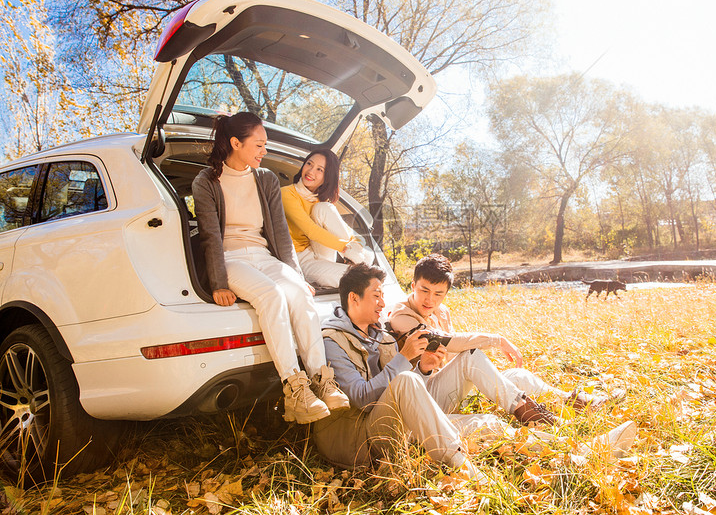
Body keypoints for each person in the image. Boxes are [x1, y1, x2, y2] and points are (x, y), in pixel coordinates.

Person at [314, 263, 606, 474]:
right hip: (365, 437)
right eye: (376, 295)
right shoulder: (333, 340)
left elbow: (401, 388)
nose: (382, 302)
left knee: (486, 416)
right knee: (407, 379)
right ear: (354, 298)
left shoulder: (378, 333)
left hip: (404, 416)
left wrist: (425, 369)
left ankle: (566, 445)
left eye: (382, 294)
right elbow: (364, 398)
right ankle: (462, 467)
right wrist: (405, 360)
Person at [191, 112, 349, 424]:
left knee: (300, 296)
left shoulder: (265, 180)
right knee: (271, 295)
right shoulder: (205, 182)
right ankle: (295, 389)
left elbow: (280, 235)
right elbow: (209, 235)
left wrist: (298, 277)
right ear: (236, 143)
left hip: (264, 257)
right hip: (230, 258)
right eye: (259, 145)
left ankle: (322, 379)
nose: (265, 151)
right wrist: (219, 283)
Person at [387, 254, 624, 410]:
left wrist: (481, 375)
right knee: (472, 355)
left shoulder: (443, 311)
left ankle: (579, 402)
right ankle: (528, 412)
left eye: (438, 294)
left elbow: (449, 358)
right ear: (413, 286)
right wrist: (496, 340)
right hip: (423, 397)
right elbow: (446, 342)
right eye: (423, 291)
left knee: (518, 376)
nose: (429, 299)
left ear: (447, 293)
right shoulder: (401, 315)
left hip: (447, 386)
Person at [281, 149, 373, 288]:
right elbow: (311, 231)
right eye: (309, 164)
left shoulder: (320, 202)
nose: (311, 171)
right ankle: (359, 262)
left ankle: (360, 260)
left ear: (327, 177)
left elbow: (348, 232)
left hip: (319, 253)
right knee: (361, 279)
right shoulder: (287, 193)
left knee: (324, 208)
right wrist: (346, 249)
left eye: (319, 169)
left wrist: (355, 246)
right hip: (300, 260)